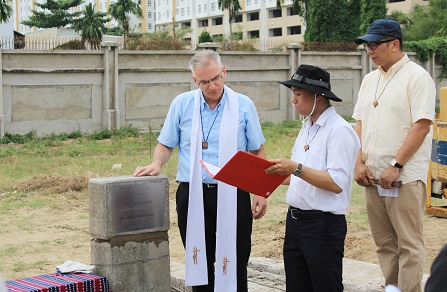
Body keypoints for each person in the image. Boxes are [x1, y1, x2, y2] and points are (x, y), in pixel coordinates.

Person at [133, 49, 267, 292]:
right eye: (205, 81)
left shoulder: (244, 105)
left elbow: (258, 150)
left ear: (224, 72)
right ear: (195, 80)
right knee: (198, 259)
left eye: (216, 78)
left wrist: (260, 192)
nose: (212, 86)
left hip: (234, 193)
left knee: (235, 259)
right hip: (193, 194)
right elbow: (165, 144)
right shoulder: (182, 104)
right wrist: (156, 163)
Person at [352, 18, 436, 292]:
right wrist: (359, 162)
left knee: (408, 244)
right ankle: (392, 288)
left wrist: (396, 164)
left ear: (395, 44)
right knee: (385, 244)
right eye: (367, 45)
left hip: (403, 177)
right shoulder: (369, 79)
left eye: (375, 44)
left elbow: (421, 125)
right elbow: (360, 122)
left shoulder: (417, 77)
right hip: (373, 176)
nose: (370, 50)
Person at [265, 64, 360, 291]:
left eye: (298, 94)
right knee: (297, 286)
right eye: (293, 94)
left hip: (322, 225)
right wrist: (266, 173)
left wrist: (295, 167)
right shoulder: (307, 126)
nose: (293, 100)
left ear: (318, 97)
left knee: (325, 286)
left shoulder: (339, 131)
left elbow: (336, 182)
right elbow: (297, 176)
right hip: (295, 221)